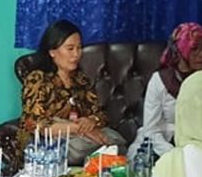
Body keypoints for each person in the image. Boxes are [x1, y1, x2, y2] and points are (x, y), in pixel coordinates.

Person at [18, 19, 126, 165]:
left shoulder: (81, 80)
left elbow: (100, 114)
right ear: (52, 52)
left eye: (79, 48)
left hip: (84, 143)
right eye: (70, 48)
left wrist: (91, 121)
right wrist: (77, 129)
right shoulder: (38, 79)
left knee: (116, 145)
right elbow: (34, 124)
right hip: (48, 151)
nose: (76, 54)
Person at [128, 22, 202, 159]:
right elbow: (151, 129)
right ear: (180, 51)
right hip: (162, 145)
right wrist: (174, 154)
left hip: (201, 145)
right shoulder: (160, 80)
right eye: (194, 49)